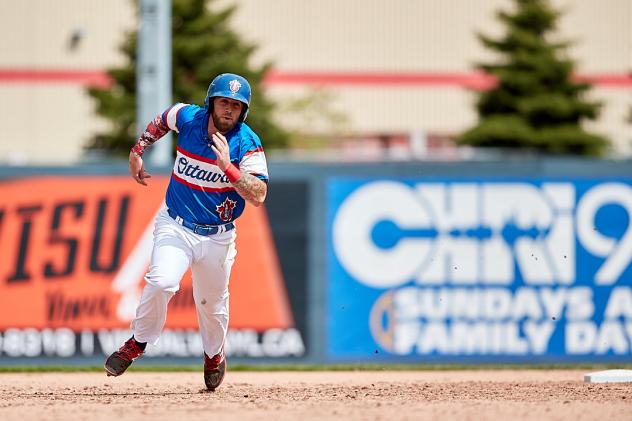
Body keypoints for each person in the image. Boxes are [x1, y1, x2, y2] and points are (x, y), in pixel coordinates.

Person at [104, 73, 268, 391]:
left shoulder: (247, 142)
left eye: (236, 105)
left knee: (212, 304)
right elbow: (164, 118)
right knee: (162, 281)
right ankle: (138, 342)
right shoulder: (189, 117)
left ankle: (213, 356)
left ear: (243, 111)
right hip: (176, 224)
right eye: (224, 102)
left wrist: (229, 168)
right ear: (211, 102)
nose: (229, 110)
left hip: (218, 235)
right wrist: (138, 149)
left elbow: (259, 194)